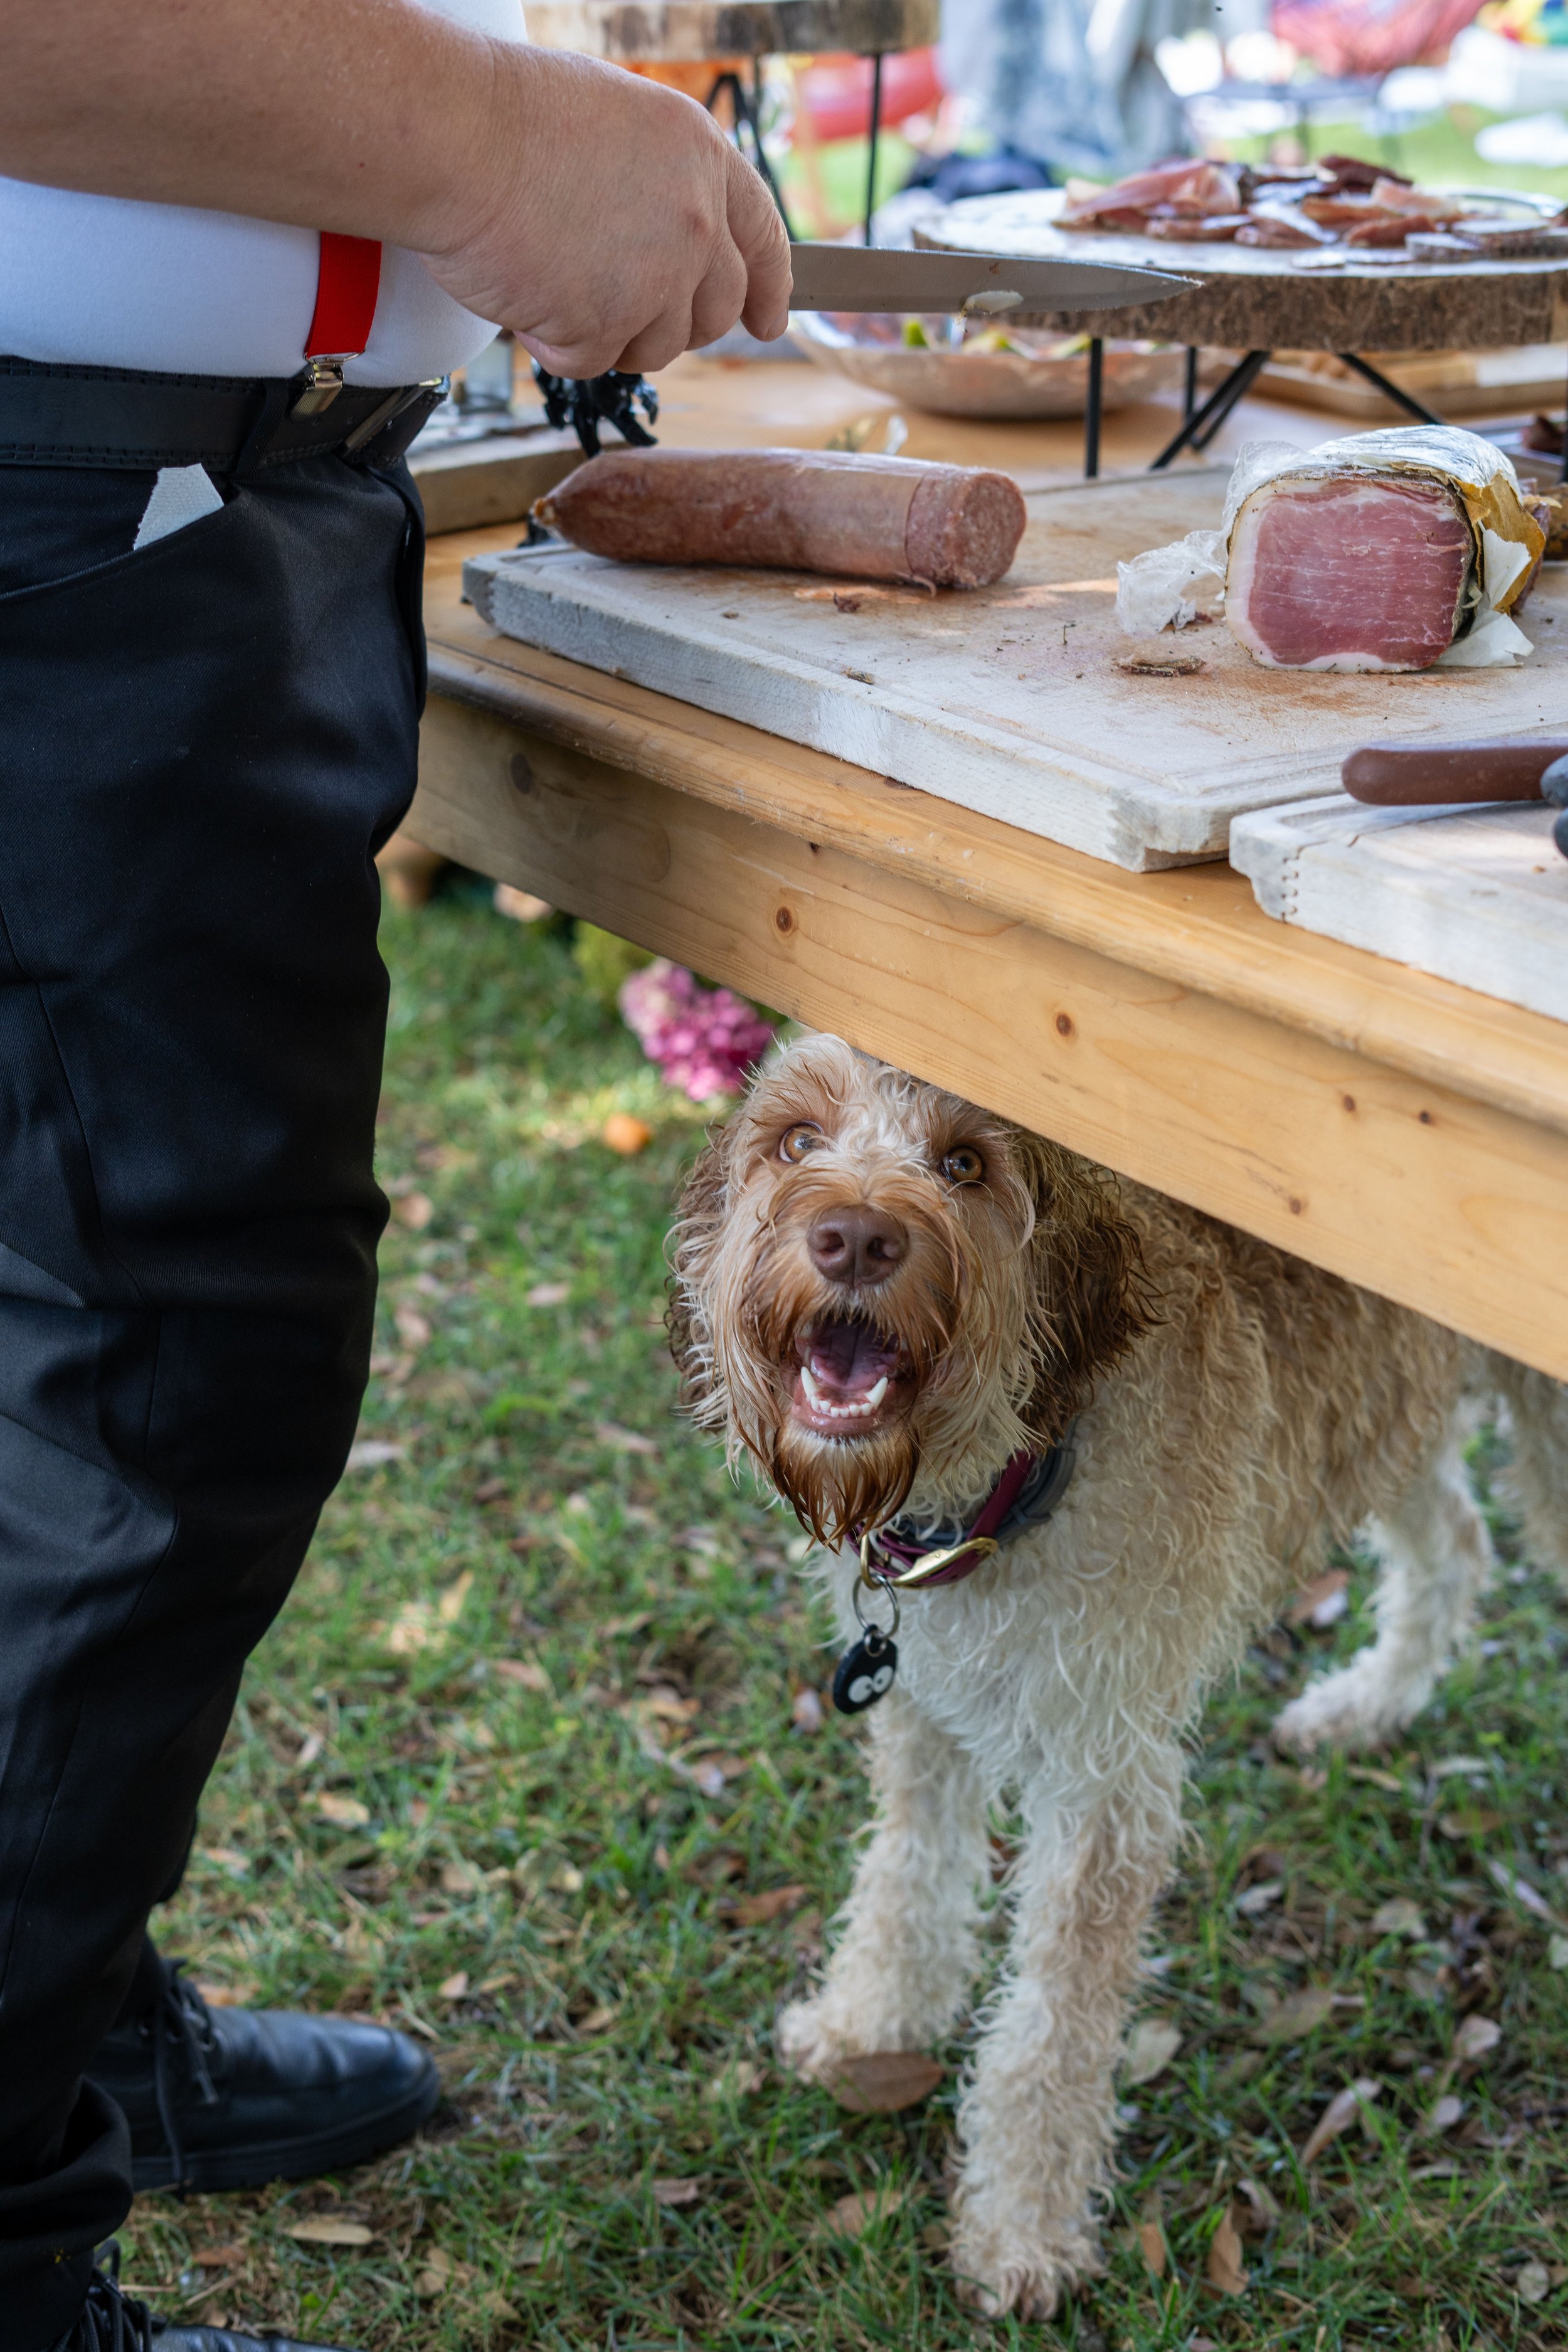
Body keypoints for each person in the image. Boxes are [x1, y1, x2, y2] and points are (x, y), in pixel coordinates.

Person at [0, 6, 790, 2347]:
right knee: (154, 1377)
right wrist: (492, 139)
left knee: (68, 1343)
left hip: (169, 474)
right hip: (71, 483)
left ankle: (56, 2019)